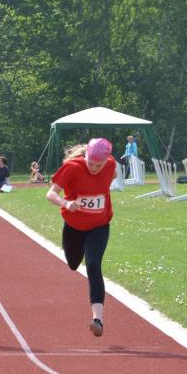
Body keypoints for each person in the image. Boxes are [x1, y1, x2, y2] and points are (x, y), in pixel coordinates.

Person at [45, 138, 116, 338]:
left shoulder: (110, 165)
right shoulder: (72, 168)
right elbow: (50, 194)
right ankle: (77, 251)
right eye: (91, 163)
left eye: (98, 165)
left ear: (106, 161)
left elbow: (113, 174)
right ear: (85, 157)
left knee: (93, 264)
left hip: (99, 226)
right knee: (73, 263)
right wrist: (66, 204)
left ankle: (97, 319)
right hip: (74, 227)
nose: (94, 168)